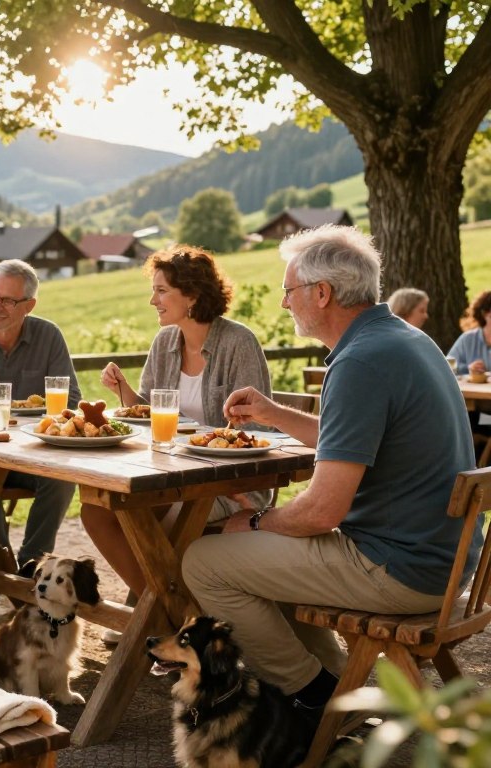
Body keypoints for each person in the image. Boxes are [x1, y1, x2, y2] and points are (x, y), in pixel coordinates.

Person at [182, 225, 481, 733]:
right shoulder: (404, 340)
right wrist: (274, 414)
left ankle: (314, 696)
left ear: (322, 293)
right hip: (446, 562)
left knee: (204, 561)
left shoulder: (361, 361)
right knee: (261, 555)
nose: (284, 303)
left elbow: (322, 512)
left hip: (401, 569)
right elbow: (358, 436)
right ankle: (339, 683)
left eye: (289, 290)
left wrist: (253, 521)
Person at [81, 245, 271, 613]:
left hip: (228, 484)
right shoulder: (165, 341)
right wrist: (123, 390)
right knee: (97, 511)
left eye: (162, 290)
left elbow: (258, 429)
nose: (153, 300)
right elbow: (149, 413)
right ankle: (163, 610)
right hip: (169, 476)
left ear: (193, 295)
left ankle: (155, 612)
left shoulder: (238, 342)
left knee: (149, 521)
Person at [0, 259, 81, 572]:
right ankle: (3, 563)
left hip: (31, 452)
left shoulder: (48, 335)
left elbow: (71, 399)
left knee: (62, 480)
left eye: (8, 301)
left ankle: (31, 563)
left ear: (29, 305)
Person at [448, 290, 491, 377]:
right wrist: (468, 368)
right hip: (472, 386)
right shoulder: (468, 339)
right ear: (484, 313)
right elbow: (448, 365)